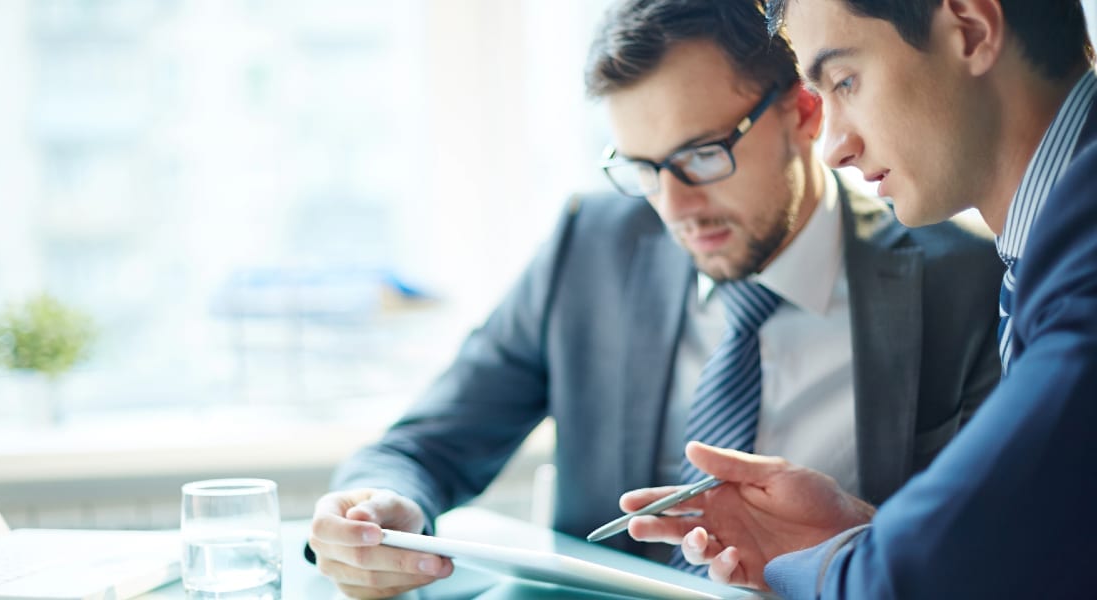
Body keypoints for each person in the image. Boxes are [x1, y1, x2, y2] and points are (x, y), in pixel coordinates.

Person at [306, 1, 1004, 597]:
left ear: (804, 110)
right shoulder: (593, 245)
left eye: (703, 156)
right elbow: (429, 443)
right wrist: (376, 506)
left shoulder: (963, 284)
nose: (676, 209)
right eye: (642, 169)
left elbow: (992, 551)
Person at [621, 0, 1097, 597]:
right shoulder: (1050, 243)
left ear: (972, 29)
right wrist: (862, 536)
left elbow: (919, 576)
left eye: (845, 80)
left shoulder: (1083, 254)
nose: (834, 148)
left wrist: (850, 561)